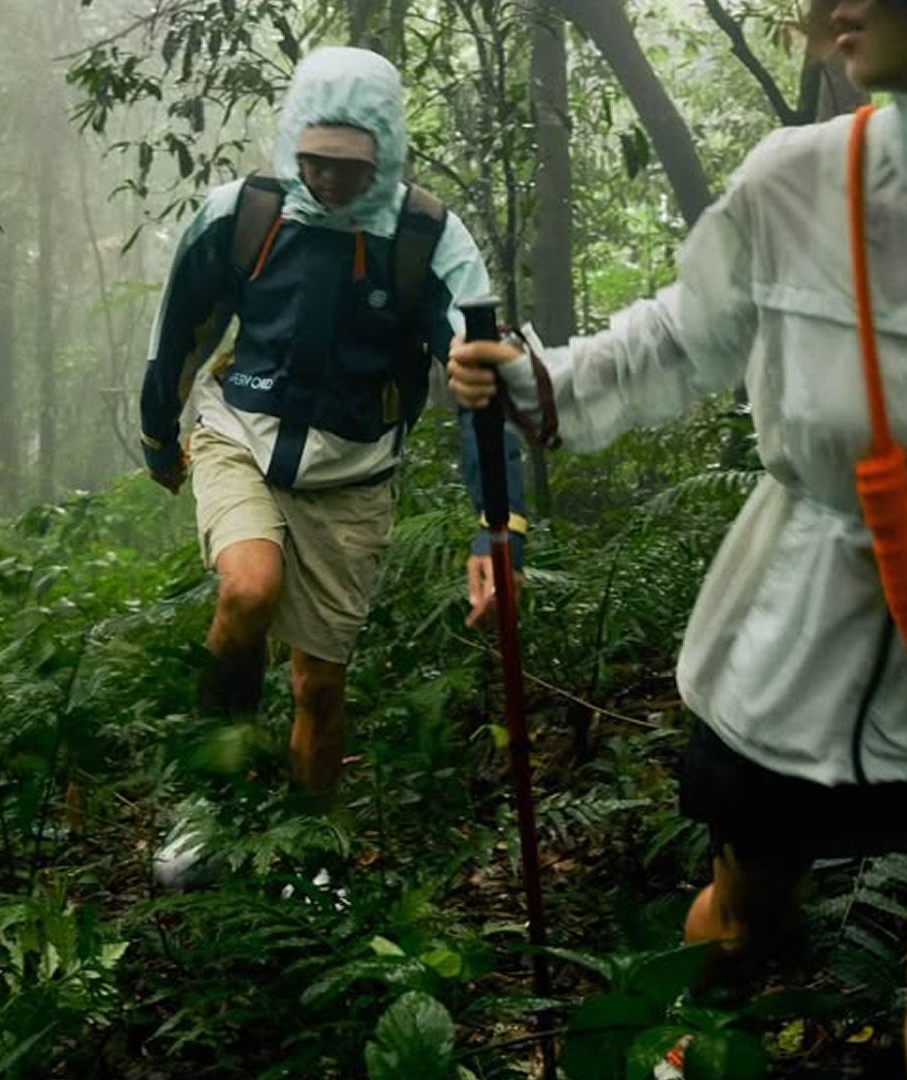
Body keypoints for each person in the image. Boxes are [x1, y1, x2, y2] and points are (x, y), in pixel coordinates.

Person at [448, 2, 907, 1078]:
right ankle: (673, 1055)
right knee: (745, 927)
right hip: (788, 652)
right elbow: (681, 334)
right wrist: (538, 383)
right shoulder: (798, 179)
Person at [140, 46, 527, 886]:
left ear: (385, 153)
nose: (331, 179)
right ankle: (208, 800)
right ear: (292, 145)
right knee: (248, 587)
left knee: (318, 685)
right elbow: (181, 331)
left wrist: (496, 526)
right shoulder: (242, 215)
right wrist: (157, 436)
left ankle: (311, 854)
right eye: (314, 159)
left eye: (352, 165)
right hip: (238, 432)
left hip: (352, 473)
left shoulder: (428, 239)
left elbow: (478, 381)